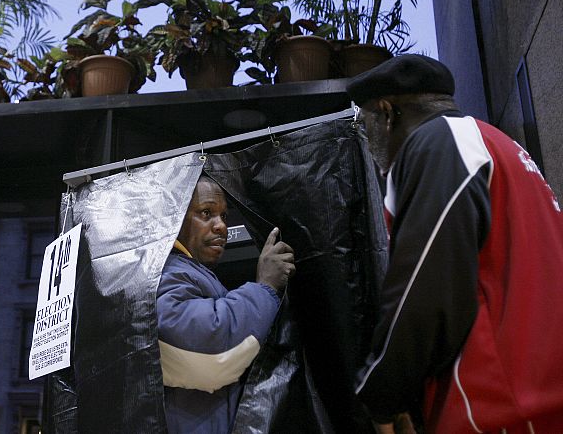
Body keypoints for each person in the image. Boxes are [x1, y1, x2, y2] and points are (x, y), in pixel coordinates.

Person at [347, 54, 563, 433]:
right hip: (537, 394)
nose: (370, 142)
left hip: (499, 406)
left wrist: (382, 395)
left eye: (367, 127)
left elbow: (424, 292)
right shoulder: (495, 142)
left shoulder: (437, 142)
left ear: (386, 112)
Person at [156, 175, 296, 433]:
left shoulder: (195, 273)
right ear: (175, 218)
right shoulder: (169, 273)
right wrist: (264, 288)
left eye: (223, 216)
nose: (220, 225)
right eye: (206, 213)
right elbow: (207, 348)